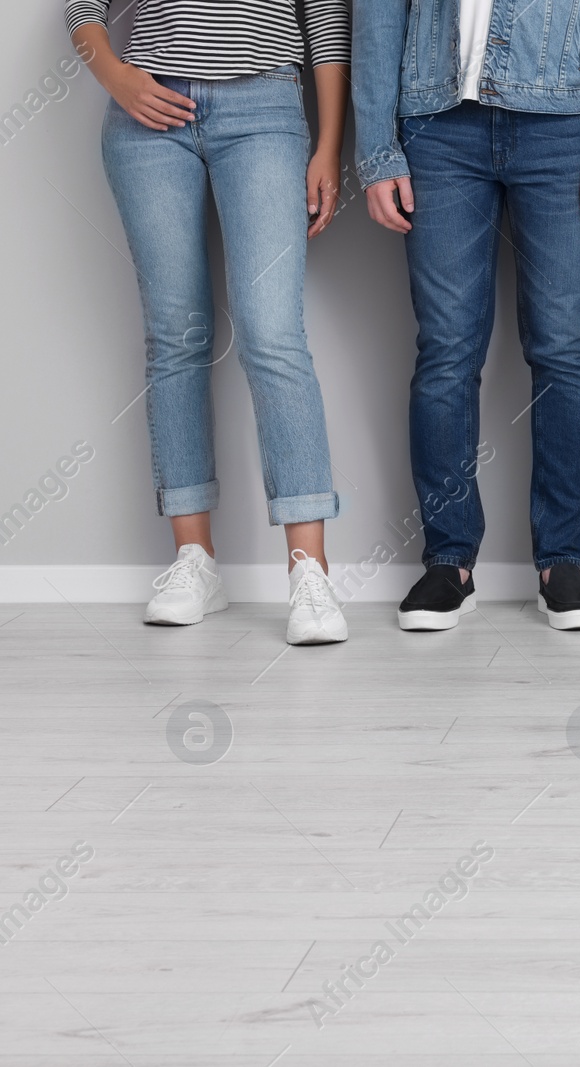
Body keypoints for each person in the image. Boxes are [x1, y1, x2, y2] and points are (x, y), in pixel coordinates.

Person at [353, 0, 580, 631]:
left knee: (563, 348)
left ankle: (565, 562)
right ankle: (448, 561)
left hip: (564, 123)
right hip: (436, 125)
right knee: (445, 349)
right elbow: (378, 12)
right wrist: (377, 146)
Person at [67, 0, 351, 646]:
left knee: (272, 332)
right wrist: (115, 75)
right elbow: (81, 7)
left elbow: (328, 17)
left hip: (266, 111)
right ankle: (195, 561)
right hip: (148, 115)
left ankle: (310, 569)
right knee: (177, 335)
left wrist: (329, 143)